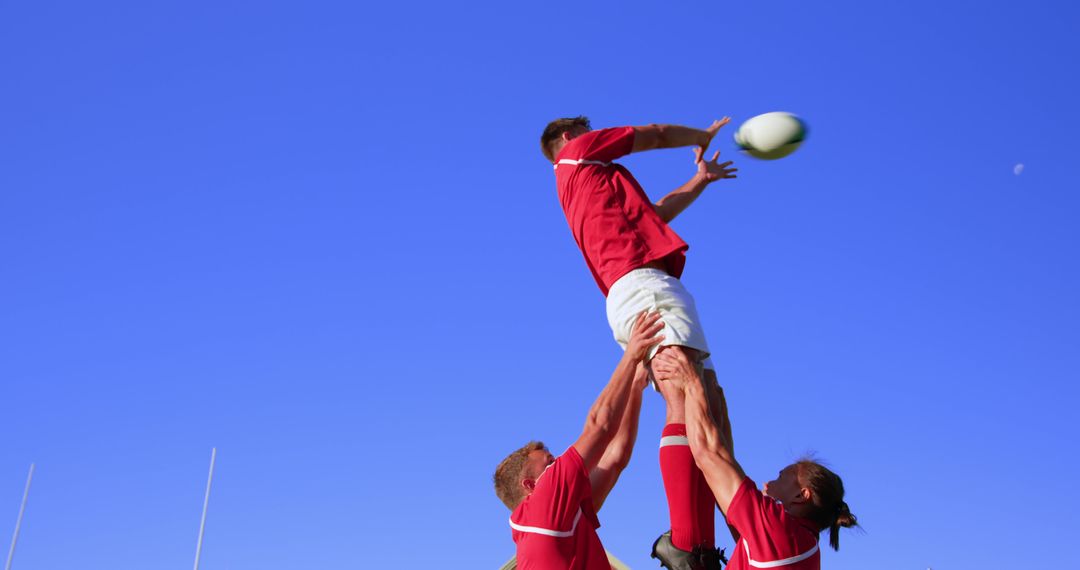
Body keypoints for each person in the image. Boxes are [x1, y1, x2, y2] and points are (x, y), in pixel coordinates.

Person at [540, 116, 737, 564]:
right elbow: (655, 135)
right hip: (644, 288)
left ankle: (699, 544)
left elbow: (656, 214)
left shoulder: (588, 186)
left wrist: (699, 180)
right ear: (570, 138)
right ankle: (688, 545)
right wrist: (701, 137)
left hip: (638, 288)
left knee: (707, 404)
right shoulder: (578, 153)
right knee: (686, 398)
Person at [651, 347, 859, 570]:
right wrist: (720, 424)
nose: (768, 484)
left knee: (681, 408)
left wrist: (691, 382)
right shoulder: (800, 544)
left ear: (801, 494)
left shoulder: (780, 532)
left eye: (782, 477)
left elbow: (707, 455)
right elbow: (732, 512)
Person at [493, 312, 665, 570]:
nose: (558, 462)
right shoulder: (544, 506)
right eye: (549, 463)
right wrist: (631, 356)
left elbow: (615, 458)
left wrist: (635, 387)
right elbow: (600, 426)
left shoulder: (559, 520)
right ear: (530, 485)